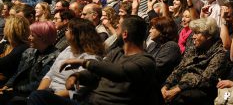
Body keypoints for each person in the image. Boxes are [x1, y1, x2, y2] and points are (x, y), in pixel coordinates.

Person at [27, 15, 163, 105]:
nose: (115, 31)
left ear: (125, 34)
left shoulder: (146, 61)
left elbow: (121, 72)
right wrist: (77, 76)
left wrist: (84, 63)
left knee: (39, 98)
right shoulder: (116, 53)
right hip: (87, 101)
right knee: (37, 96)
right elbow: (95, 73)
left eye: (117, 28)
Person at [161, 17, 228, 105]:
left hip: (200, 91)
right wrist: (166, 85)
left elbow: (206, 79)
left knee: (179, 98)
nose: (193, 37)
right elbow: (179, 69)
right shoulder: (194, 49)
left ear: (208, 36)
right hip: (182, 85)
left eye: (197, 33)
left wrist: (178, 89)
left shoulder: (220, 53)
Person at [36, 18, 104, 98]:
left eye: (67, 29)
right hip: (47, 93)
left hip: (63, 98)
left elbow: (78, 90)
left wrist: (47, 98)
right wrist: (38, 94)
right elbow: (50, 75)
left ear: (77, 34)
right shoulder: (68, 49)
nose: (65, 31)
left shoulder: (90, 58)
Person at [0, 21, 58, 104]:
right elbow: (18, 73)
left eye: (32, 35)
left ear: (43, 38)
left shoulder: (54, 57)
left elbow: (38, 83)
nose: (29, 38)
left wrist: (14, 88)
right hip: (18, 89)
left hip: (33, 95)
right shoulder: (29, 51)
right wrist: (7, 86)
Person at [146, 17, 181, 85]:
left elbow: (156, 69)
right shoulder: (152, 45)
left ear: (163, 30)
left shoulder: (171, 46)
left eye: (153, 28)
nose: (150, 31)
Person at [0, 16, 30, 86]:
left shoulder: (23, 47)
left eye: (5, 27)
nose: (4, 29)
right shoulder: (7, 43)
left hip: (9, 84)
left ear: (11, 30)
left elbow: (3, 63)